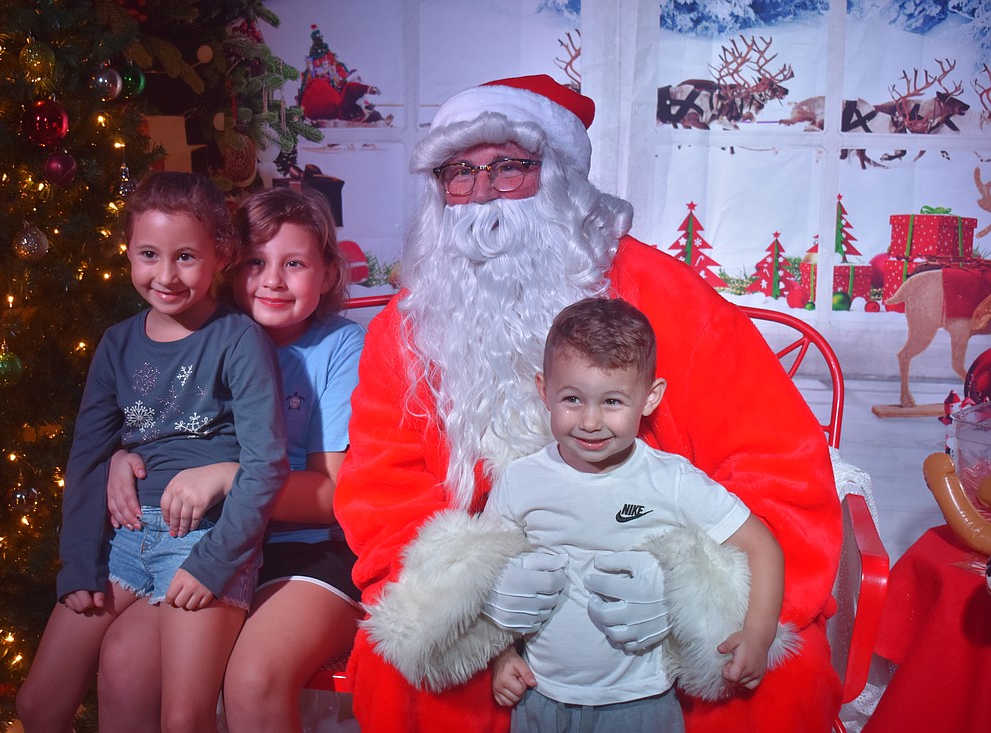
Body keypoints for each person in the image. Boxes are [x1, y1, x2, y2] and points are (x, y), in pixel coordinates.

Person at [334, 74, 841, 732]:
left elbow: (775, 456)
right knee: (412, 672)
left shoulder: (664, 293)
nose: (480, 191)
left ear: (559, 178)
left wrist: (682, 591)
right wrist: (480, 607)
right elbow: (383, 488)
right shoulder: (406, 326)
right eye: (458, 171)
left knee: (772, 680)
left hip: (640, 569)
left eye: (508, 167)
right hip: (506, 582)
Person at [16, 172, 288, 733]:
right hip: (123, 544)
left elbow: (267, 466)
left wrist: (213, 564)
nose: (165, 275)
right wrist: (80, 564)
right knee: (37, 706)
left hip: (204, 542)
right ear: (129, 252)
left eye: (186, 256)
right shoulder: (117, 344)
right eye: (148, 254)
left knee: (181, 720)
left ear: (222, 254)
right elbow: (89, 460)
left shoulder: (238, 341)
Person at [96, 186, 365, 733]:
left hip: (306, 553)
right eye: (254, 263)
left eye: (294, 264)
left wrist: (229, 476)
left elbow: (335, 499)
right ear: (225, 265)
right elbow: (156, 430)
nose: (271, 280)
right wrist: (122, 460)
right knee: (124, 660)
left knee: (253, 679)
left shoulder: (339, 347)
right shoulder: (197, 335)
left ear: (329, 273)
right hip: (204, 544)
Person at [488, 297, 789, 732]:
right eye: (572, 398)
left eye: (612, 401)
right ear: (543, 391)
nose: (590, 421)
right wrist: (503, 656)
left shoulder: (670, 481)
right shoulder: (520, 481)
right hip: (540, 698)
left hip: (640, 705)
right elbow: (493, 580)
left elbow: (762, 547)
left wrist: (758, 637)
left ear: (650, 399)